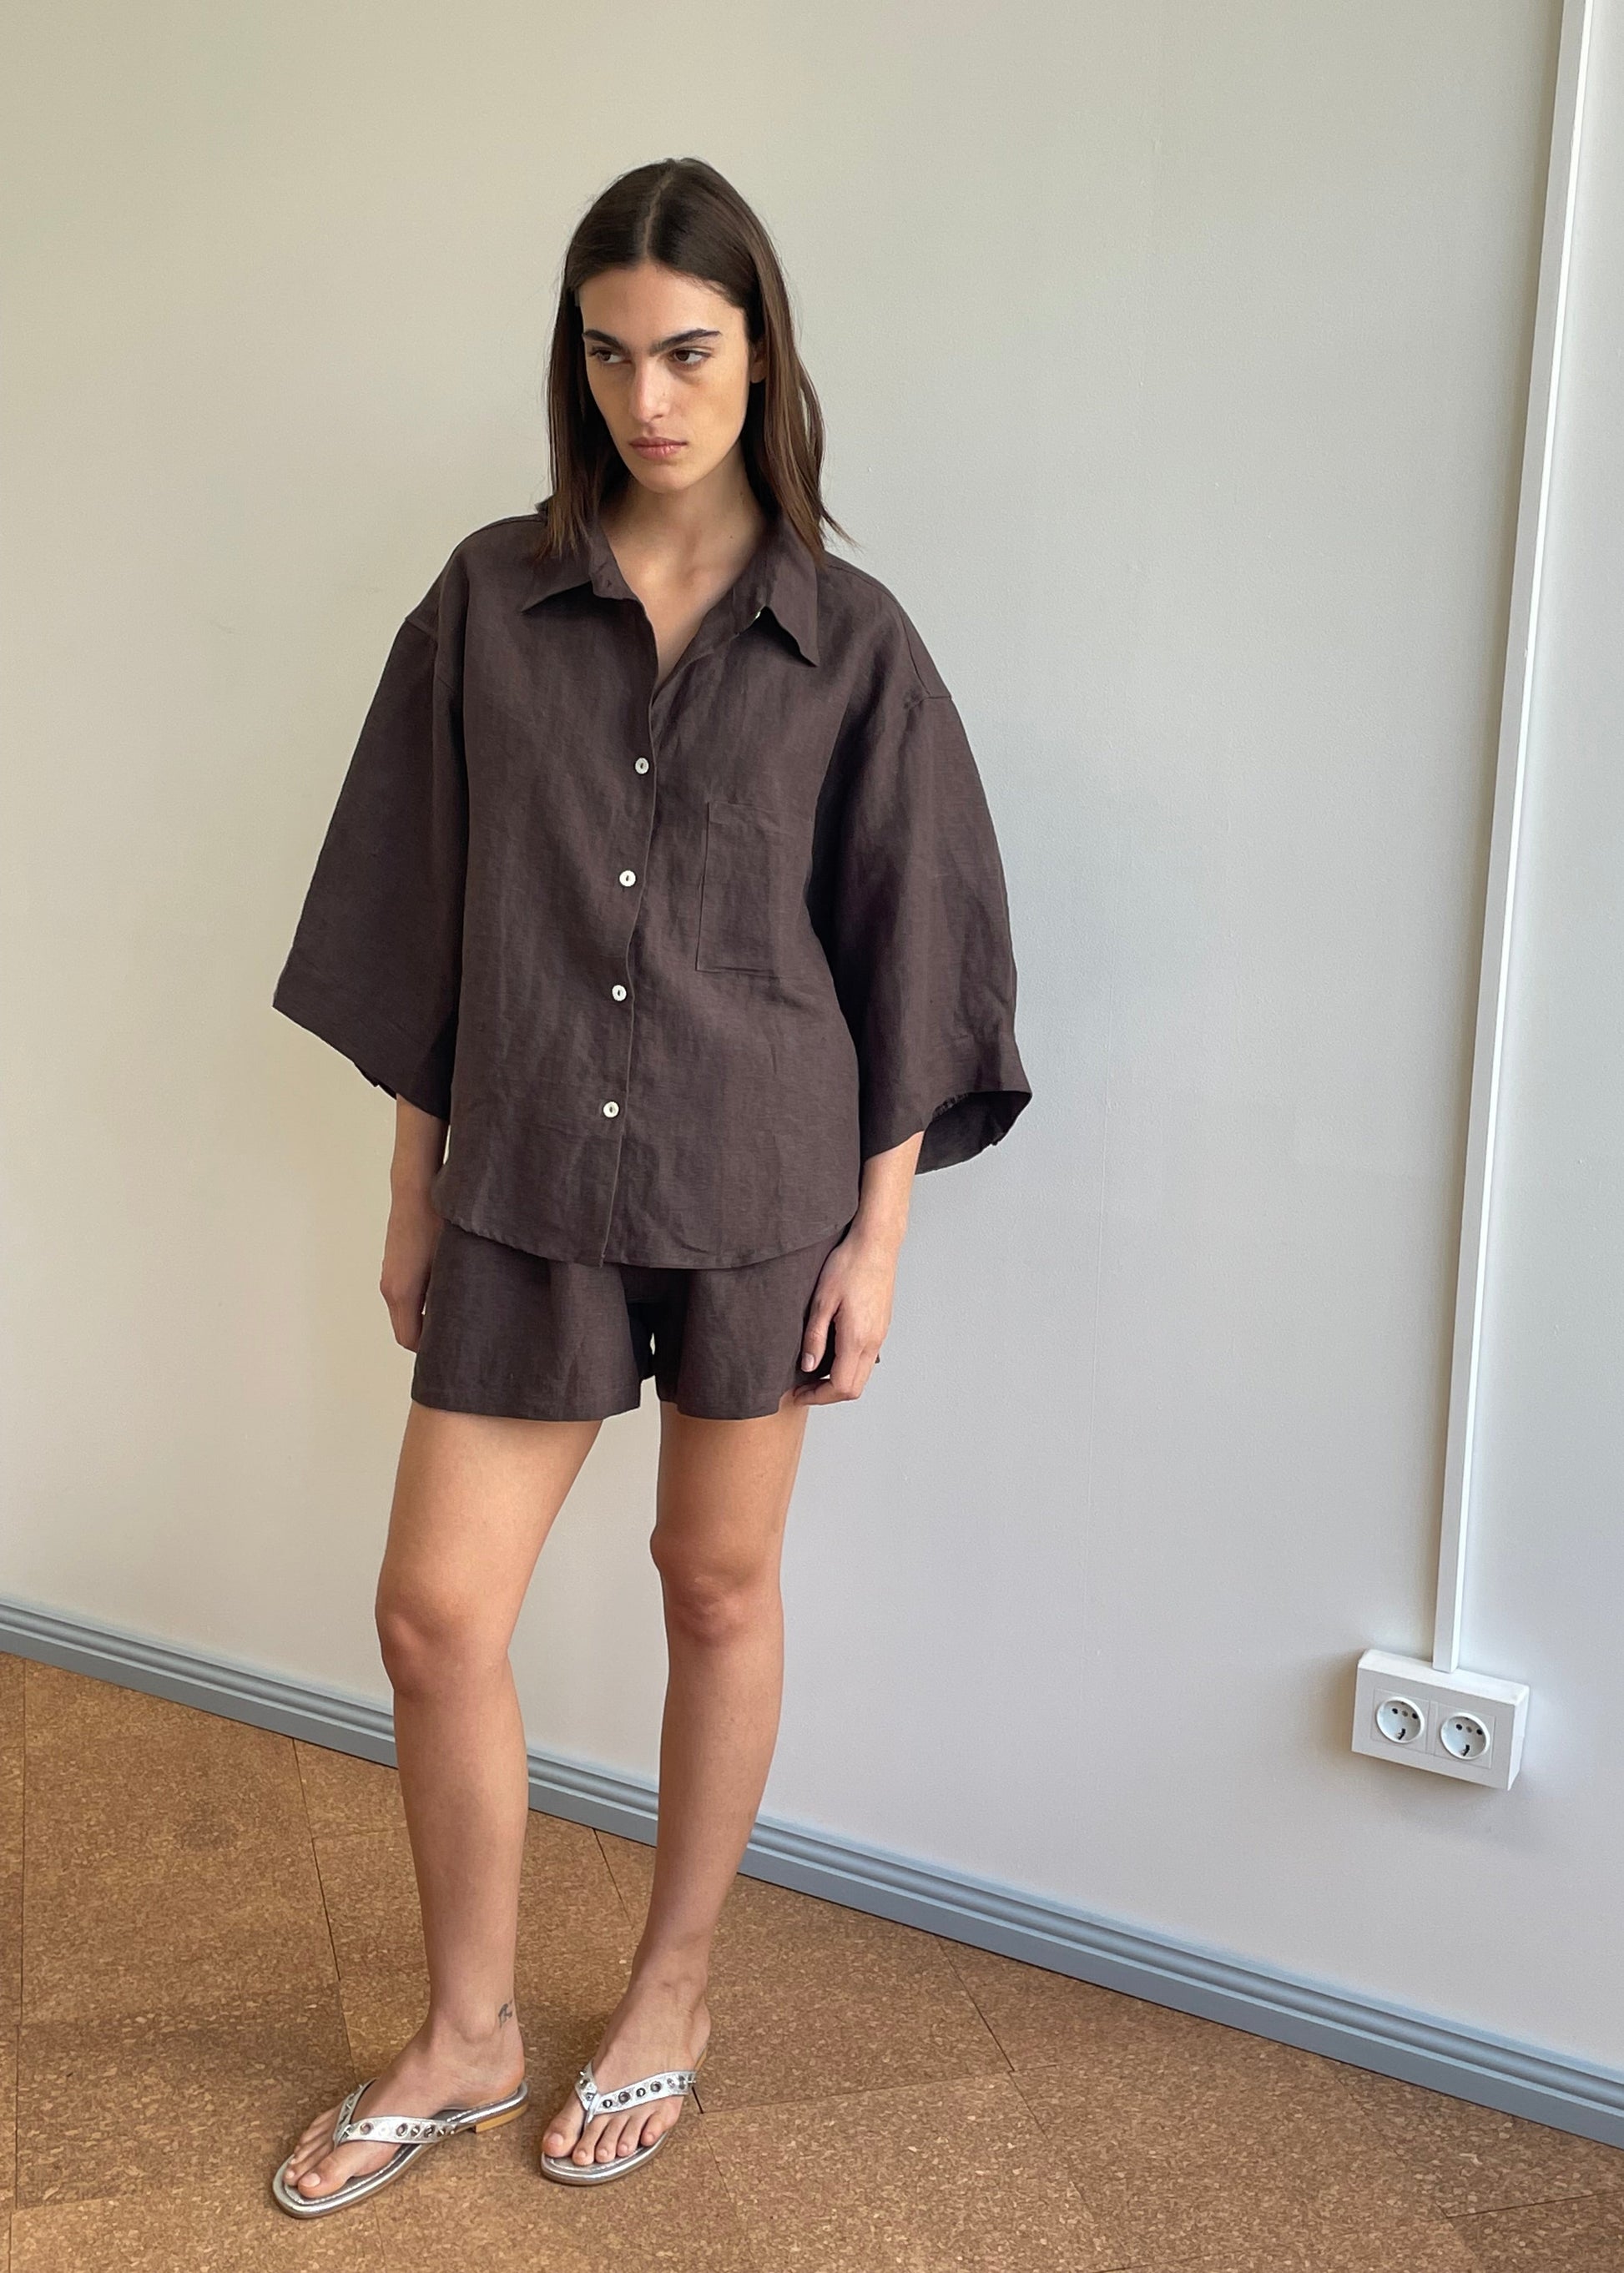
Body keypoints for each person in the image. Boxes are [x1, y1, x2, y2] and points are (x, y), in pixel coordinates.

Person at [268, 155, 1030, 2217]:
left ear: (759, 350)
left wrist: (878, 1246)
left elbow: (913, 952)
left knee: (714, 1586)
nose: (647, 398)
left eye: (686, 351)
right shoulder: (484, 604)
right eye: (608, 355)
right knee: (434, 1616)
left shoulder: (849, 643)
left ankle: (673, 1993)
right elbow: (415, 920)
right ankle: (467, 2032)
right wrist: (410, 1188)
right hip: (520, 1169)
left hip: (756, 1177)